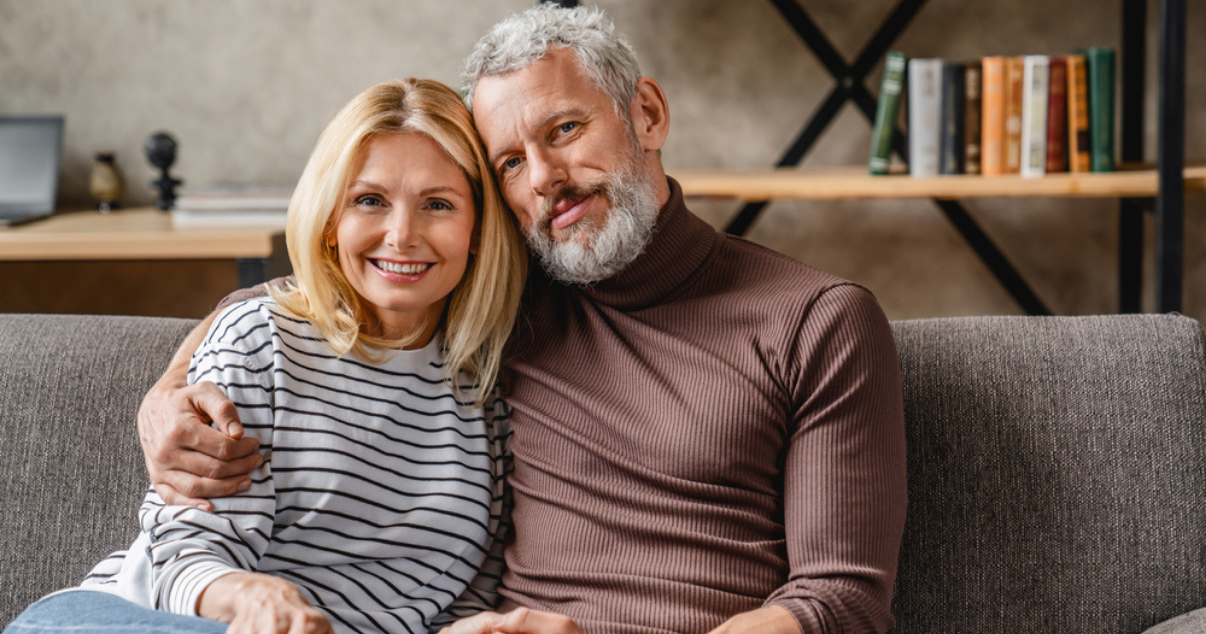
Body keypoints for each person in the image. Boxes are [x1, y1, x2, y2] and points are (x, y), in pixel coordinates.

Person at [137, 6, 908, 634]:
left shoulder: (816, 320)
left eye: (564, 131)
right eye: (509, 162)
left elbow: (839, 600)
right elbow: (309, 295)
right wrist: (166, 393)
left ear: (646, 112)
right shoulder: (509, 299)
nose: (545, 179)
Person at [4, 78, 527, 634]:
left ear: (476, 230)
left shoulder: (488, 388)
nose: (401, 234)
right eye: (369, 201)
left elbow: (468, 596)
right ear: (330, 223)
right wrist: (250, 597)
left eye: (438, 204)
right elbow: (181, 553)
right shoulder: (262, 339)